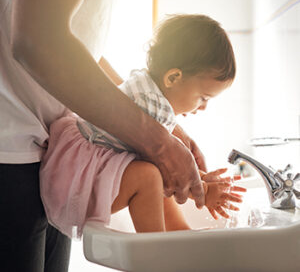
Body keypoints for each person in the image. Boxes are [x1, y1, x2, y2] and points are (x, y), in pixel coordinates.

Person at [1, 0, 207, 271]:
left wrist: (161, 124)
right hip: (10, 147)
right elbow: (38, 41)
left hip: (50, 145)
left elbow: (79, 50)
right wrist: (159, 143)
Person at [40, 14, 246, 237]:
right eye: (203, 97)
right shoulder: (154, 108)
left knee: (155, 171)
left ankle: (176, 231)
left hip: (75, 163)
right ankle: (154, 249)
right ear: (173, 78)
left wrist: (202, 177)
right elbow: (169, 171)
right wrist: (204, 191)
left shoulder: (147, 86)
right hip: (76, 177)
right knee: (150, 176)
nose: (204, 107)